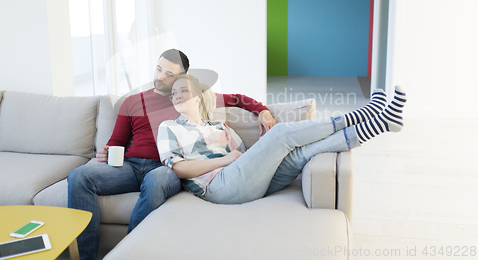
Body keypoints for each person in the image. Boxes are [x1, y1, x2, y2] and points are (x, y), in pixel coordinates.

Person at [67, 49, 277, 260]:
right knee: (79, 176)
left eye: (169, 74)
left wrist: (263, 110)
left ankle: (127, 253)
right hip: (130, 167)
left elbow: (237, 99)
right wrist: (105, 153)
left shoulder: (186, 98)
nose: (160, 77)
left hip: (165, 169)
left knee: (155, 178)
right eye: (159, 69)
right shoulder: (131, 102)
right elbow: (116, 143)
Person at [157, 74, 406, 204]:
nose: (177, 96)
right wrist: (226, 159)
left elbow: (243, 157)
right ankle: (362, 113)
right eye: (174, 94)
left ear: (199, 96)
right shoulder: (168, 127)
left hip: (244, 179)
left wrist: (260, 152)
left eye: (184, 91)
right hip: (217, 188)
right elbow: (178, 169)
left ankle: (382, 123)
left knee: (302, 154)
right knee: (281, 134)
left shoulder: (220, 126)